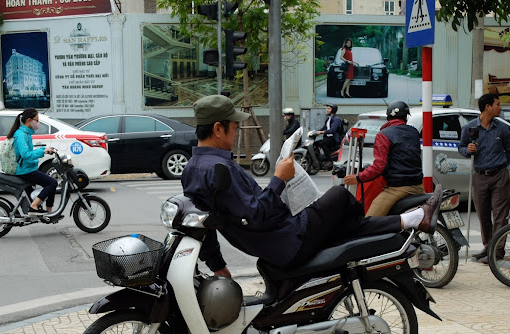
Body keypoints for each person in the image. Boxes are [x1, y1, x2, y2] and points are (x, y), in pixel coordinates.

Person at [181, 94, 442, 277]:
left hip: (274, 239)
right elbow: (257, 215)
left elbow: (202, 224)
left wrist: (217, 265)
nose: (236, 132)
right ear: (218, 129)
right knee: (340, 196)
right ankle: (414, 219)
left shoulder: (192, 169)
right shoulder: (220, 168)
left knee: (342, 219)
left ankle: (415, 219)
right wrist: (280, 179)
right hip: (287, 240)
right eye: (234, 128)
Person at [458, 93, 510, 264]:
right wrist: (468, 150)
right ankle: (488, 246)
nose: (500, 107)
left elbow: (509, 148)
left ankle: (497, 252)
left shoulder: (502, 128)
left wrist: (502, 164)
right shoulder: (470, 129)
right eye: (497, 104)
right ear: (488, 107)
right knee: (483, 214)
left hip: (499, 175)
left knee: (500, 215)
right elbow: (461, 148)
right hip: (480, 175)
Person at [343, 101, 425, 217]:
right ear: (406, 117)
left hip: (397, 189)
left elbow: (379, 167)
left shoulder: (383, 135)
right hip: (418, 186)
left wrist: (358, 178)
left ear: (388, 117)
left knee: (370, 222)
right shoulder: (414, 132)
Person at [7, 108, 57, 216]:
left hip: (29, 168)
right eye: (37, 120)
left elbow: (27, 152)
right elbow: (26, 155)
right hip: (25, 170)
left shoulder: (26, 134)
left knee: (50, 183)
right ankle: (34, 206)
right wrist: (42, 151)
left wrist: (43, 150)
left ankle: (49, 213)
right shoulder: (21, 135)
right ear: (29, 120)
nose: (38, 123)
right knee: (53, 183)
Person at [314, 103, 342, 170]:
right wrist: (315, 132)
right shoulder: (328, 119)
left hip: (333, 138)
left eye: (329, 108)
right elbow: (324, 128)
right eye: (327, 108)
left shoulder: (336, 119)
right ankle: (319, 160)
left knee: (322, 143)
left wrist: (322, 132)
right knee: (315, 143)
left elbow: (332, 130)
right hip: (328, 137)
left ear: (333, 110)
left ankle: (329, 160)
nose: (327, 110)